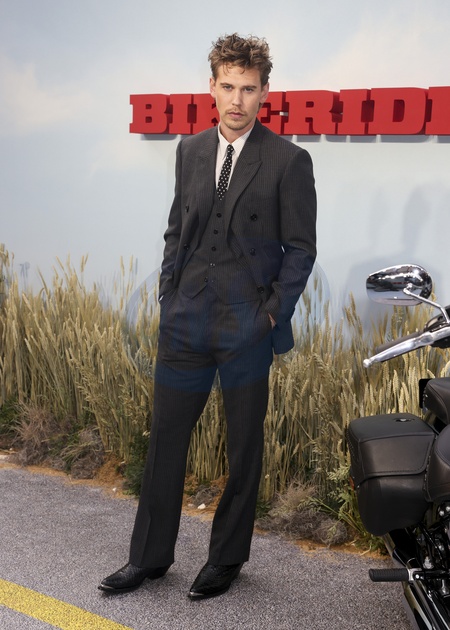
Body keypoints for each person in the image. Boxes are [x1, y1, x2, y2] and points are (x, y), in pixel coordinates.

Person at [99, 33, 317, 600]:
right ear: (212, 87)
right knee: (165, 441)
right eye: (228, 86)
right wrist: (169, 294)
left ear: (264, 92)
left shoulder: (289, 161)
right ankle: (148, 558)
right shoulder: (190, 150)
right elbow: (177, 229)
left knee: (244, 448)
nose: (237, 99)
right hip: (186, 321)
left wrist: (270, 317)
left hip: (248, 326)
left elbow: (301, 250)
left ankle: (226, 560)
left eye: (249, 88)